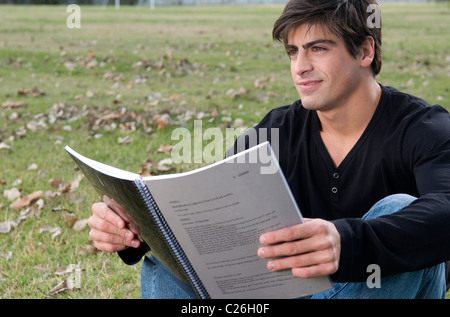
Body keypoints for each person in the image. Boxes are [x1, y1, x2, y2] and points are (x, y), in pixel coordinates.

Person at [87, 0, 450, 299]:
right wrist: (137, 231)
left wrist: (347, 241)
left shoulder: (423, 128)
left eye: (318, 49)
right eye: (293, 52)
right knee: (164, 261)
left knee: (400, 208)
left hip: (378, 287)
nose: (300, 67)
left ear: (365, 51)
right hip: (289, 291)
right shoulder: (274, 132)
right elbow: (211, 213)